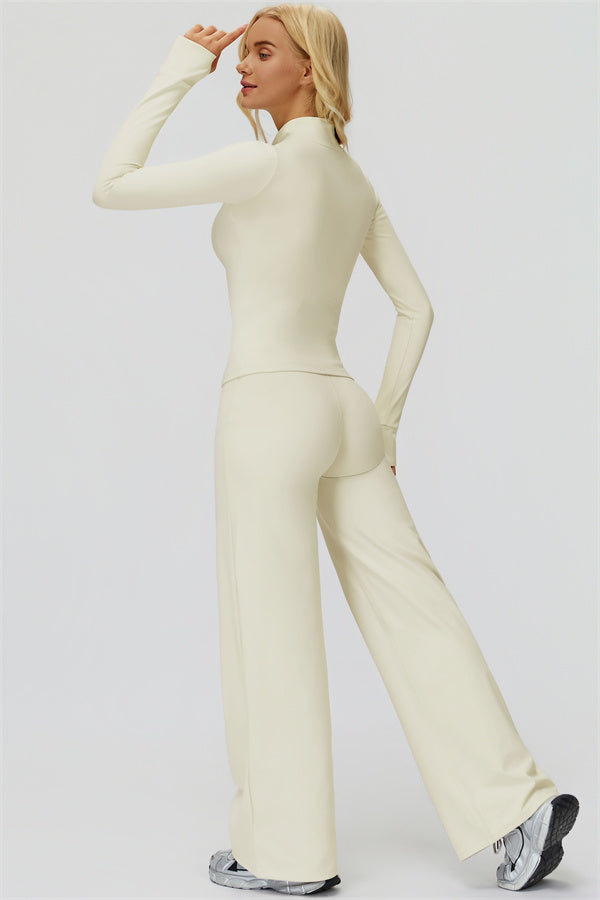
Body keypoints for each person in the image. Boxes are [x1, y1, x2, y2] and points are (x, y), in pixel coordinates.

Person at [92, 4, 579, 895]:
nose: (242, 64)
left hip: (267, 408)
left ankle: (288, 856)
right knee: (417, 610)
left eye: (262, 51)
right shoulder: (354, 181)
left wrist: (180, 68)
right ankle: (518, 804)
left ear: (309, 70)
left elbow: (112, 183)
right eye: (241, 52)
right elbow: (416, 308)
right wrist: (385, 426)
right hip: (345, 408)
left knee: (269, 630)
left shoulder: (263, 162)